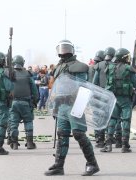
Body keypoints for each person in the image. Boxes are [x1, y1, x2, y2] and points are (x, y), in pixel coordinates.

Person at [44, 40, 99, 176]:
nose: (64, 51)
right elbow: (56, 88)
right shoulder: (58, 67)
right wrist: (55, 106)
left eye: (66, 48)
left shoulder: (80, 66)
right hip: (62, 105)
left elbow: (83, 87)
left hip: (75, 104)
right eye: (62, 48)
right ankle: (59, 165)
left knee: (79, 134)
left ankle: (92, 164)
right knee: (62, 134)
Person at [100, 48, 136, 153]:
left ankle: (108, 145)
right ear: (123, 57)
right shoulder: (128, 68)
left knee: (112, 119)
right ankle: (125, 145)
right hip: (125, 99)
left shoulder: (110, 67)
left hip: (114, 97)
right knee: (126, 120)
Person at [8, 55, 39, 150]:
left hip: (13, 103)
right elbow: (34, 90)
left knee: (14, 123)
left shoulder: (9, 74)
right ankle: (29, 143)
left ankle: (14, 143)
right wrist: (35, 101)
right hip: (26, 102)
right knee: (28, 121)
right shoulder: (27, 74)